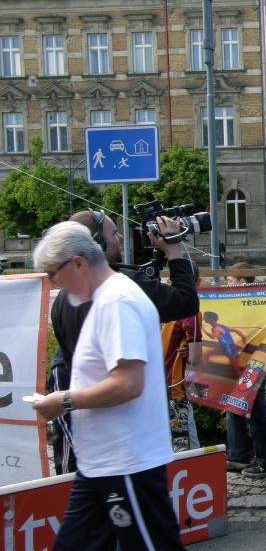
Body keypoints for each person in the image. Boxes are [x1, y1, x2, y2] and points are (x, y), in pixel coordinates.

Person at [32, 222, 184, 550]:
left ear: (77, 263)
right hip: (102, 463)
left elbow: (128, 384)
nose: (52, 283)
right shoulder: (105, 299)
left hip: (126, 463)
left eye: (52, 274)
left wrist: (64, 401)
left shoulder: (117, 302)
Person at [48, 208, 199, 474]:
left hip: (91, 434)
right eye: (114, 233)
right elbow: (185, 302)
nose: (119, 238)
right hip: (129, 441)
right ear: (97, 243)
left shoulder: (63, 298)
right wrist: (174, 250)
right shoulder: (123, 288)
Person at [224, 262, 266, 478]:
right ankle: (238, 454)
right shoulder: (245, 302)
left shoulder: (251, 303)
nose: (227, 285)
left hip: (254, 364)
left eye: (230, 281)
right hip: (245, 363)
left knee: (255, 411)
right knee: (234, 405)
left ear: (241, 282)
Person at [161, 262, 203, 452]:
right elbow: (195, 358)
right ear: (198, 282)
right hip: (174, 387)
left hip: (157, 384)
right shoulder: (191, 312)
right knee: (185, 446)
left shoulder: (163, 305)